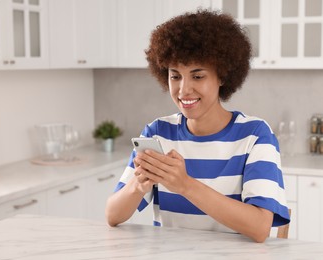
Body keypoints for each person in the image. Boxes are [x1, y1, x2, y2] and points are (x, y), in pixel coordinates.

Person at [105, 9, 290, 243]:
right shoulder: (158, 132)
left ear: (222, 76)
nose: (183, 90)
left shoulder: (255, 135)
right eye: (175, 76)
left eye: (198, 76)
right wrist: (138, 185)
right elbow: (112, 215)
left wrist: (185, 185)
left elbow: (259, 227)